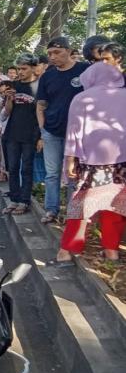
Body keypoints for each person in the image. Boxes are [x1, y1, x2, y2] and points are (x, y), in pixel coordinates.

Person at [51, 62, 126, 266]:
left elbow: (74, 132)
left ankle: (67, 251)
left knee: (81, 206)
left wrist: (69, 159)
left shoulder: (82, 99)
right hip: (121, 163)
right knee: (115, 206)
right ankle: (112, 252)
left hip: (92, 163)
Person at [36, 37, 90, 224]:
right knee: (52, 174)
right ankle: (51, 210)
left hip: (78, 134)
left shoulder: (84, 71)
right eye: (50, 53)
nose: (53, 57)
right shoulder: (47, 76)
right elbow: (41, 105)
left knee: (74, 174)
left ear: (69, 51)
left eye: (57, 52)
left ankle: (73, 215)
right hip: (52, 132)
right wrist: (43, 130)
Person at [1, 56, 41, 215]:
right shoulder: (14, 85)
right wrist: (9, 99)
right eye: (19, 69)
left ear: (33, 68)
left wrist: (40, 136)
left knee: (26, 168)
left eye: (24, 68)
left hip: (30, 134)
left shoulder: (39, 86)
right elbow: (8, 111)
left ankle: (24, 201)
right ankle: (14, 199)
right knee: (13, 167)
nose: (20, 72)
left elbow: (42, 111)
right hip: (12, 133)